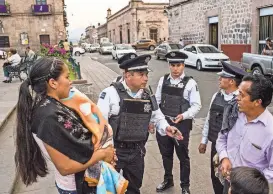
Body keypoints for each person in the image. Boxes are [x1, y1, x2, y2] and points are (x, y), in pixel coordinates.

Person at [14, 57, 116, 194]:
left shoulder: (54, 105)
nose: (70, 81)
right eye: (67, 77)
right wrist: (103, 154)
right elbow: (65, 167)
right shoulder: (48, 116)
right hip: (75, 186)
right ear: (53, 83)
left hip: (83, 181)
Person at [97, 54, 183, 194]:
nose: (146, 78)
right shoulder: (110, 94)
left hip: (137, 152)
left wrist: (166, 127)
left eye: (146, 74)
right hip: (115, 152)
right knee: (110, 189)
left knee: (134, 187)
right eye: (141, 74)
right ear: (128, 75)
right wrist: (108, 153)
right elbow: (101, 126)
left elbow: (157, 116)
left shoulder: (147, 95)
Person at [216, 74, 273, 193]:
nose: (236, 98)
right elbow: (222, 138)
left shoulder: (271, 132)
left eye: (241, 95)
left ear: (257, 102)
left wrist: (249, 180)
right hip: (229, 182)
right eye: (238, 92)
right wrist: (224, 158)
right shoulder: (233, 112)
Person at [155, 51, 202, 194]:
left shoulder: (190, 83)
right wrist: (154, 121)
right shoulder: (163, 80)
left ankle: (185, 186)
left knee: (183, 156)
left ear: (183, 65)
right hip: (164, 123)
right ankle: (168, 180)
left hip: (181, 124)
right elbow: (156, 102)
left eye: (179, 65)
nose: (175, 69)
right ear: (169, 66)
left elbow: (196, 105)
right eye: (173, 65)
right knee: (166, 154)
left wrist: (184, 115)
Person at [198, 61, 247, 194]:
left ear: (231, 81)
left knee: (231, 180)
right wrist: (204, 140)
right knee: (215, 176)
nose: (219, 79)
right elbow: (209, 118)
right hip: (216, 145)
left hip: (233, 149)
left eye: (222, 77)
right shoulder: (216, 96)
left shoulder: (241, 100)